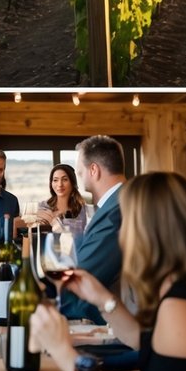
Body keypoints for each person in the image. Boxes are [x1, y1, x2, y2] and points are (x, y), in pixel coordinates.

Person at [29, 171, 186, 371]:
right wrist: (103, 300)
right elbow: (148, 344)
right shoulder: (180, 285)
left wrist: (68, 358)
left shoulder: (185, 304)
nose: (121, 235)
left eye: (126, 223)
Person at [60, 135, 126, 325]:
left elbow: (83, 281)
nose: (78, 177)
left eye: (79, 172)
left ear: (94, 170)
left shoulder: (115, 210)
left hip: (119, 324)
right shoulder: (122, 199)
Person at [37, 162, 88, 235]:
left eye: (64, 179)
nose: (60, 184)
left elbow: (82, 235)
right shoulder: (43, 206)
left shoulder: (82, 210)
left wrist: (56, 223)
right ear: (51, 184)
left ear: (72, 183)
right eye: (55, 180)